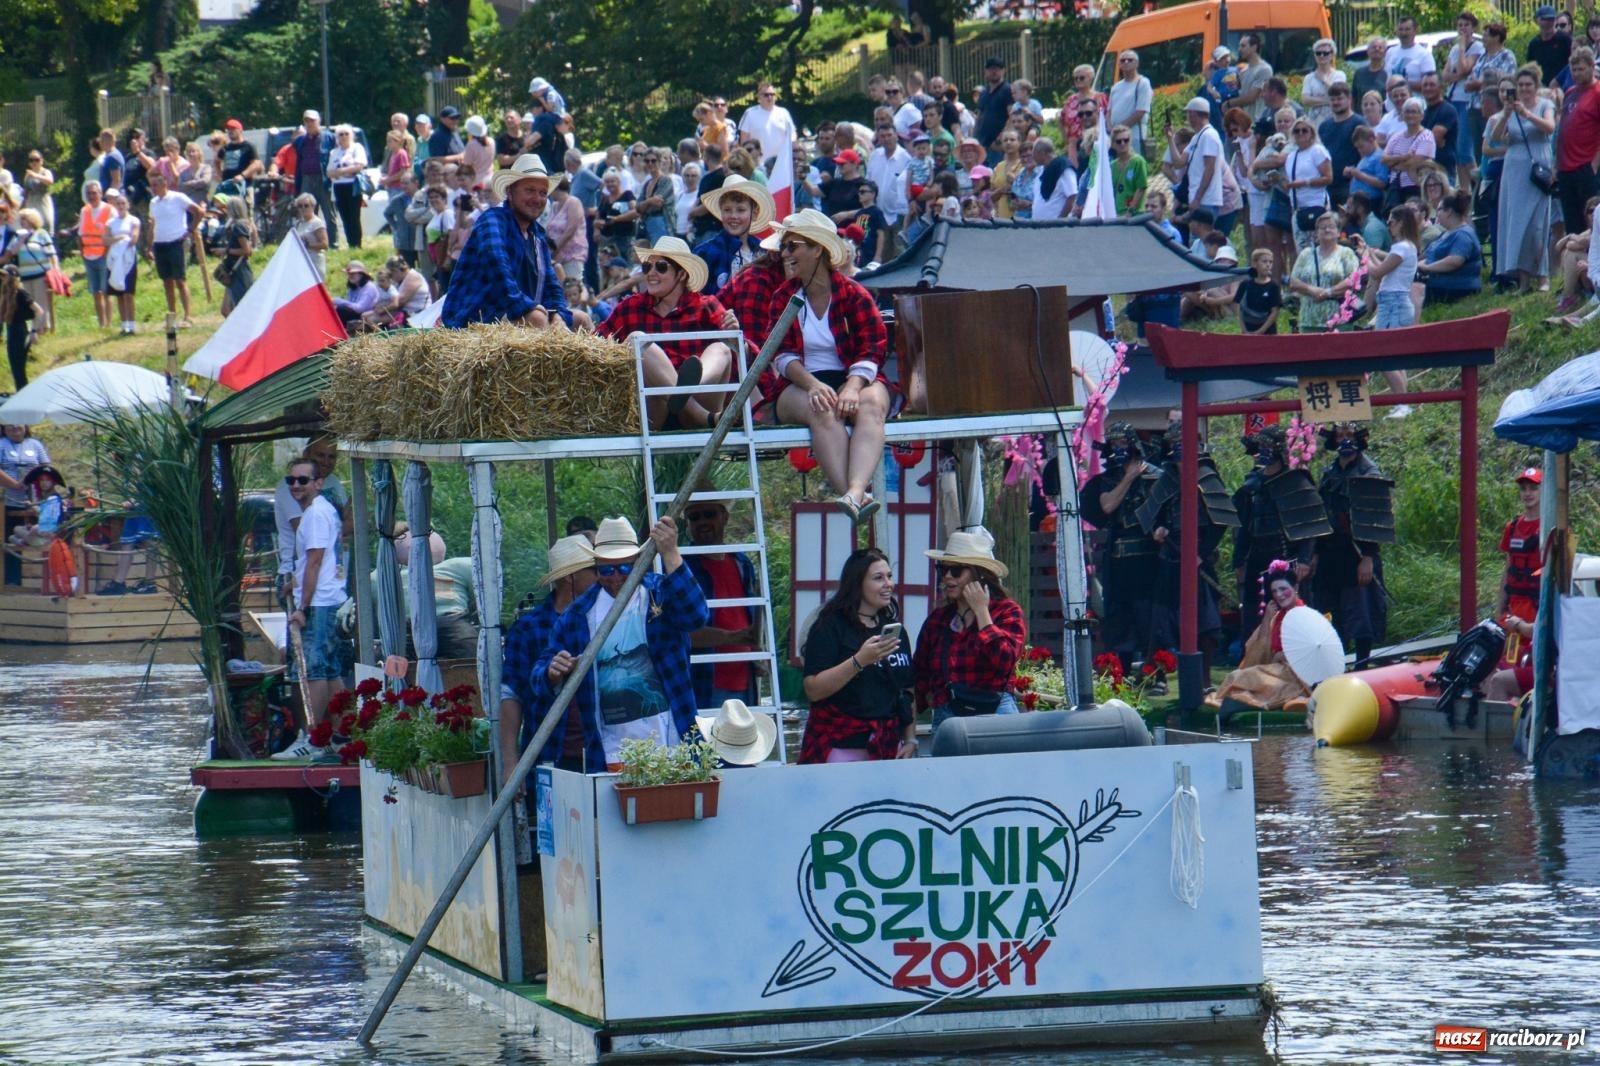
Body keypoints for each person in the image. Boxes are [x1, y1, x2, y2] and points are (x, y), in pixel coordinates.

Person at [534, 516, 708, 772]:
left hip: (675, 743)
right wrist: (552, 672)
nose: (615, 577)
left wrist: (670, 553)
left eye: (625, 568)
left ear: (639, 562)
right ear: (596, 566)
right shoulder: (578, 615)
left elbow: (697, 616)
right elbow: (539, 677)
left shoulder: (660, 593)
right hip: (611, 753)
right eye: (606, 570)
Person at [760, 210, 894, 524]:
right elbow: (781, 354)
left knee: (872, 403)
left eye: (792, 246)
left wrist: (853, 384)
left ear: (817, 248)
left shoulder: (853, 294)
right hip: (800, 382)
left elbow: (874, 346)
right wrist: (812, 384)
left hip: (856, 376)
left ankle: (855, 493)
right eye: (785, 247)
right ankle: (854, 493)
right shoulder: (783, 297)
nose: (786, 254)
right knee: (820, 406)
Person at [598, 236, 737, 430]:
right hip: (656, 411)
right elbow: (595, 347)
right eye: (647, 267)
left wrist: (735, 337)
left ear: (681, 274)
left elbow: (744, 356)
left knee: (722, 347)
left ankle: (690, 387)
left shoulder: (706, 305)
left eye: (661, 267)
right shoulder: (630, 307)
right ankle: (698, 413)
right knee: (638, 340)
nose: (651, 274)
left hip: (702, 396)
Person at [797, 547, 915, 763]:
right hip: (841, 745)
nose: (888, 584)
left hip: (888, 745)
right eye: (878, 578)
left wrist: (910, 739)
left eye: (889, 576)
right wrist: (860, 660)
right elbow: (813, 689)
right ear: (857, 584)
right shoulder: (829, 627)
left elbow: (906, 690)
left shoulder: (894, 630)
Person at [442, 155, 585, 330]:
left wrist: (558, 315)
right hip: (478, 319)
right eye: (529, 190)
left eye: (542, 193)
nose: (537, 198)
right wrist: (528, 307)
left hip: (517, 313)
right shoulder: (493, 220)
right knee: (537, 319)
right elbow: (496, 265)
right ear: (510, 192)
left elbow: (552, 285)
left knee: (580, 320)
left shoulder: (538, 236)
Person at [912, 528, 1026, 733]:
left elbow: (1005, 661)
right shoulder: (938, 620)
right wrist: (932, 696)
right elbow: (919, 672)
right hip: (949, 716)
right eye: (942, 570)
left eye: (956, 571)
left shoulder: (1006, 611)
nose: (947, 577)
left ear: (979, 574)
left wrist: (982, 612)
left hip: (997, 713)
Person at [271, 457, 348, 761]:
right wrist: (297, 585)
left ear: (318, 483)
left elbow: (315, 561)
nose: (295, 486)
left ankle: (313, 738)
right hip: (330, 598)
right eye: (291, 480)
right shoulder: (324, 511)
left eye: (303, 480)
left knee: (314, 670)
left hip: (319, 603)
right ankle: (341, 735)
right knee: (331, 671)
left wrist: (301, 606)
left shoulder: (315, 515)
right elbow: (315, 561)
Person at [1232, 425, 1331, 638]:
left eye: (1267, 446)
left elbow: (1310, 524)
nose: (1263, 451)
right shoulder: (1252, 484)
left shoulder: (1296, 481)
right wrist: (1239, 560)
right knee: (1255, 612)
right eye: (1260, 447)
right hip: (1257, 556)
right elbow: (1244, 526)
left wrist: (1304, 558)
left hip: (1287, 555)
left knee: (1291, 612)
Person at [1081, 422, 1163, 668]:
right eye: (1114, 444)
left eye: (1122, 444)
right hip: (1118, 560)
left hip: (1148, 558)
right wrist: (1128, 477)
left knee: (1148, 616)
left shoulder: (1155, 476)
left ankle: (1155, 671)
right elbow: (1107, 506)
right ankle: (1123, 671)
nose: (1118, 449)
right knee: (1119, 618)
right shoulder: (1108, 479)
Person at [1314, 425, 1391, 666]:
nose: (1345, 440)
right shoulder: (1329, 473)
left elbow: (1375, 517)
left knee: (1361, 613)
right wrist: (1314, 552)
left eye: (1349, 435)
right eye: (1340, 436)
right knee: (1331, 610)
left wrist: (1368, 556)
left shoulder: (1369, 472)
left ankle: (1361, 665)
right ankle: (1336, 664)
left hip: (1357, 553)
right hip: (1330, 552)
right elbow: (1321, 514)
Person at [683, 491, 761, 710]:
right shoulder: (683, 567)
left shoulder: (741, 562)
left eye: (709, 514)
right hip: (705, 679)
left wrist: (756, 652)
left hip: (744, 675)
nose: (703, 522)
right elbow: (682, 630)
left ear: (724, 516)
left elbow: (751, 614)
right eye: (694, 517)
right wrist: (733, 638)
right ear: (687, 524)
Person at [1211, 562, 1313, 711]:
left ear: (1296, 588)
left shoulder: (1305, 615)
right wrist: (1266, 620)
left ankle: (1297, 697)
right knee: (1237, 677)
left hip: (1297, 676)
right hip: (1276, 670)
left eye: (1283, 589)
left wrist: (1284, 655)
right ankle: (1238, 699)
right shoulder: (1277, 616)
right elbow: (1258, 652)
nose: (1279, 594)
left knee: (1240, 679)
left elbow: (1310, 654)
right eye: (1275, 591)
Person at [1491, 66, 1556, 294]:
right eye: (1520, 85)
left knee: (1538, 225)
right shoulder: (1510, 110)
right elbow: (1496, 138)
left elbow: (1549, 128)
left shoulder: (1545, 105)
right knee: (1518, 224)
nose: (1524, 89)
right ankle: (1524, 279)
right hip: (1514, 168)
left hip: (1538, 164)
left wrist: (1527, 114)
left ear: (1536, 85)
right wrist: (1507, 114)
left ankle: (1543, 276)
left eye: (1528, 84)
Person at [694, 173, 776, 296]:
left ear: (754, 213)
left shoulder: (764, 252)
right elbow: (696, 298)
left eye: (741, 210)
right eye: (727, 210)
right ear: (721, 212)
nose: (733, 216)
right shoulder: (705, 253)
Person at [1288, 212, 1362, 331]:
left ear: (1338, 232)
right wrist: (1312, 290)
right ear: (1316, 233)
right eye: (1322, 227)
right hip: (1309, 321)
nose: (1326, 230)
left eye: (1331, 227)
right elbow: (1293, 282)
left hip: (1340, 321)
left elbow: (1353, 280)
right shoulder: (1306, 254)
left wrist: (1328, 292)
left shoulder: (1346, 253)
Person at [1557, 47, 1600, 239]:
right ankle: (1574, 265)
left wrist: (1594, 165)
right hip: (1566, 167)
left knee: (1590, 221)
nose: (1577, 74)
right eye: (1574, 70)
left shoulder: (1597, 92)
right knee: (1572, 224)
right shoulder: (1570, 92)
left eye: (1581, 69)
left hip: (1586, 165)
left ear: (1592, 67)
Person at [1496, 467, 1543, 635]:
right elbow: (1507, 571)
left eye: (1533, 488)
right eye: (1523, 489)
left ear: (1542, 491)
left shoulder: (1550, 528)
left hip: (1538, 610)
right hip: (1513, 610)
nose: (1527, 493)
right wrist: (1499, 610)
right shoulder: (1512, 527)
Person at [1, 423, 48, 585]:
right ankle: (11, 581)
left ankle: (42, 581)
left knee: (33, 537)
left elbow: (46, 467)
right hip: (9, 500)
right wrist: (14, 484)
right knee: (8, 539)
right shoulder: (1, 444)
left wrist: (35, 479)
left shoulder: (35, 444)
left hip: (34, 501)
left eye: (18, 423)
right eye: (9, 424)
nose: (14, 427)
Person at [1417, 189, 1483, 302]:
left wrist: (1428, 268)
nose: (1437, 214)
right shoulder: (1446, 233)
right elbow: (1427, 256)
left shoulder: (1463, 234)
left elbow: (1455, 261)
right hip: (1438, 285)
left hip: (1456, 287)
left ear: (1449, 212)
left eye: (1439, 210)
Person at [292, 110, 338, 248]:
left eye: (312, 120)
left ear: (319, 121)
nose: (309, 123)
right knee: (306, 212)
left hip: (323, 179)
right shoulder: (300, 141)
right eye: (307, 121)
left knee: (329, 212)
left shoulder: (330, 138)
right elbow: (298, 162)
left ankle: (333, 244)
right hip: (306, 178)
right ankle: (308, 243)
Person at [13, 209, 58, 335]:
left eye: (25, 219)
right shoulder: (18, 235)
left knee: (41, 301)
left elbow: (51, 253)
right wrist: (21, 239)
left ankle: (40, 329)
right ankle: (36, 329)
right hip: (25, 274)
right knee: (30, 302)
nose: (22, 222)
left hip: (40, 273)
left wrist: (55, 270)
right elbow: (13, 251)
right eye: (21, 219)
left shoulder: (41, 234)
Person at [77, 181, 114, 330]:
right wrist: (82, 252)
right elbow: (80, 234)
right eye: (89, 194)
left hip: (104, 255)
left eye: (94, 193)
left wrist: (107, 251)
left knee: (106, 291)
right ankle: (101, 324)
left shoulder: (109, 210)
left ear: (100, 193)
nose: (92, 196)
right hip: (89, 255)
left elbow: (113, 232)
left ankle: (109, 323)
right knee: (95, 292)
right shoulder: (84, 211)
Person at [103, 189, 140, 335]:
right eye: (118, 203)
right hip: (114, 258)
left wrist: (123, 240)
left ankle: (132, 324)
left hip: (128, 258)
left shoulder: (133, 220)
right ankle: (124, 324)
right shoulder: (110, 222)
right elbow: (105, 239)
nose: (120, 206)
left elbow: (134, 238)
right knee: (119, 293)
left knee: (128, 293)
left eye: (123, 203)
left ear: (128, 205)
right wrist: (117, 239)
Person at [737, 82, 796, 164]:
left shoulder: (783, 113)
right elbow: (744, 140)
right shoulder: (750, 113)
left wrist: (790, 147)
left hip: (781, 163)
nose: (769, 97)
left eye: (772, 94)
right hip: (758, 164)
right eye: (766, 95)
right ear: (759, 97)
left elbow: (792, 134)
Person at [216, 195, 256, 316]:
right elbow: (254, 244)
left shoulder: (238, 226)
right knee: (226, 310)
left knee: (241, 309)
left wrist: (225, 251)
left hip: (238, 270)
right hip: (234, 269)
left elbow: (247, 250)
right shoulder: (247, 224)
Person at [1109, 50, 1153, 156]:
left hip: (1134, 136)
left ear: (1137, 63)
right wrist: (1111, 129)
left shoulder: (1143, 83)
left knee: (1134, 165)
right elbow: (1109, 111)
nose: (1126, 62)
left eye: (1130, 60)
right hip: (1116, 138)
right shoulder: (1116, 87)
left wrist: (1120, 129)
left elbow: (1140, 112)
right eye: (1123, 60)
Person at [1234, 248, 1283, 334]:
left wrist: (1261, 331)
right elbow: (1238, 306)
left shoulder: (1273, 286)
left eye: (1270, 262)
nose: (1268, 265)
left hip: (1268, 332)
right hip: (1248, 329)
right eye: (1264, 261)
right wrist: (1244, 330)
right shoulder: (1245, 284)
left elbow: (1275, 311)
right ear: (1254, 263)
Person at [974, 57, 1012, 159]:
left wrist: (1000, 139)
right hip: (982, 144)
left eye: (997, 69)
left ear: (1004, 71)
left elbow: (1012, 116)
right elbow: (979, 115)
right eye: (990, 69)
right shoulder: (983, 92)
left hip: (997, 146)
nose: (994, 71)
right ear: (985, 72)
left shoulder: (1007, 90)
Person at [1387, 16, 1438, 90]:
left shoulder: (1424, 55)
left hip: (1415, 100)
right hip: (1391, 101)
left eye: (1407, 29)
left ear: (1415, 31)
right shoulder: (1390, 52)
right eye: (1400, 29)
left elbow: (1430, 84)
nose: (1403, 33)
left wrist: (1401, 85)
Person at [1529, 5, 1573, 88]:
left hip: (1563, 86)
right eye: (1544, 19)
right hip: (1541, 88)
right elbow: (1531, 67)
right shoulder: (1534, 44)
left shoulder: (1565, 40)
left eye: (1551, 19)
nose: (1547, 23)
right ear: (1537, 21)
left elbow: (1572, 63)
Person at [1353, 37, 1390, 103]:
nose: (1377, 49)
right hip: (1360, 112)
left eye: (1380, 47)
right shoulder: (1359, 73)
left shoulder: (1388, 73)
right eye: (1373, 47)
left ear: (1385, 52)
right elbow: (1353, 97)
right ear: (1368, 51)